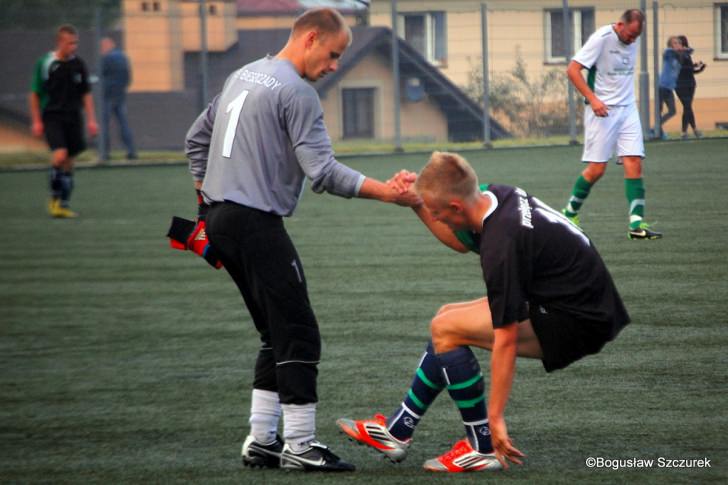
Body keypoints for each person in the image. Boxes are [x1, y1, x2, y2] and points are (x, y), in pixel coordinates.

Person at [184, 8, 419, 473]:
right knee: (299, 332)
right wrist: (389, 194)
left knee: (274, 333)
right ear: (311, 38)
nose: (334, 65)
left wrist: (204, 204)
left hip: (220, 220)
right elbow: (325, 173)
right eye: (333, 54)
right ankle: (300, 444)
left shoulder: (243, 74)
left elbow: (195, 139)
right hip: (254, 224)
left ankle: (262, 440)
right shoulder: (297, 91)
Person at [338, 152, 630, 472]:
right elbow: (461, 241)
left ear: (455, 208)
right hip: (579, 300)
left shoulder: (501, 246)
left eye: (437, 213)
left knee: (447, 329)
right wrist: (418, 202)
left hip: (579, 321)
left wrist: (496, 417)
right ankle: (398, 430)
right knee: (446, 317)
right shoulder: (495, 196)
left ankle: (482, 446)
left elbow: (505, 339)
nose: (436, 219)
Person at [560, 9, 662, 240]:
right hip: (602, 111)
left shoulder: (632, 39)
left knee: (634, 161)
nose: (632, 40)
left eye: (637, 36)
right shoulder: (602, 38)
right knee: (597, 169)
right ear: (620, 25)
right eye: (630, 35)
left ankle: (636, 224)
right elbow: (572, 70)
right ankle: (569, 213)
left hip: (627, 109)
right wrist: (593, 99)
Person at [30, 24, 98, 218]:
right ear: (60, 42)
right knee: (60, 156)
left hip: (74, 117)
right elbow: (34, 93)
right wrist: (36, 120)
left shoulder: (78, 64)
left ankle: (64, 204)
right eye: (70, 43)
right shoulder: (46, 63)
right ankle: (54, 200)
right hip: (52, 116)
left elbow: (86, 94)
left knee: (69, 162)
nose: (74, 47)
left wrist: (92, 120)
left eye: (75, 43)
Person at [100, 36, 137, 160]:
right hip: (120, 95)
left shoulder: (107, 58)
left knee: (105, 124)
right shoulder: (122, 57)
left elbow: (101, 75)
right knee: (123, 123)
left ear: (107, 45)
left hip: (108, 96)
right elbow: (128, 76)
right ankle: (131, 151)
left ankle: (104, 152)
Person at [675, 35, 706, 140]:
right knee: (687, 106)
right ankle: (692, 130)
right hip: (680, 85)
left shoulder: (687, 55)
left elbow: (690, 70)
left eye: (678, 43)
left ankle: (686, 132)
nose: (676, 45)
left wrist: (699, 68)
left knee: (687, 107)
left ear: (683, 43)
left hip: (690, 84)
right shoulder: (678, 54)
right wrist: (685, 51)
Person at [658, 36, 684, 139]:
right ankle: (657, 130)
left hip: (669, 88)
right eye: (675, 43)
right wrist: (673, 49)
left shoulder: (679, 57)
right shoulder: (669, 54)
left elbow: (691, 50)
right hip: (662, 86)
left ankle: (656, 127)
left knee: (672, 111)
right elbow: (666, 51)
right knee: (659, 111)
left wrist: (682, 50)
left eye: (679, 43)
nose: (678, 45)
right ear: (671, 45)